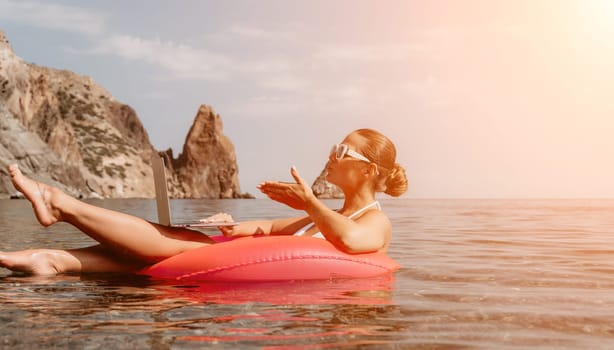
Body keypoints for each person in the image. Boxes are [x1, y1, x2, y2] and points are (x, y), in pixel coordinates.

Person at [0, 128, 408, 275]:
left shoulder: (376, 222)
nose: (332, 155)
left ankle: (60, 204)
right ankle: (50, 259)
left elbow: (353, 243)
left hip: (249, 279)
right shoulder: (336, 215)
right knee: (172, 242)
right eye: (336, 146)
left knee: (170, 242)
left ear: (369, 170)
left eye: (344, 151)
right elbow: (267, 229)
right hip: (238, 257)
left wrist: (309, 205)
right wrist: (231, 226)